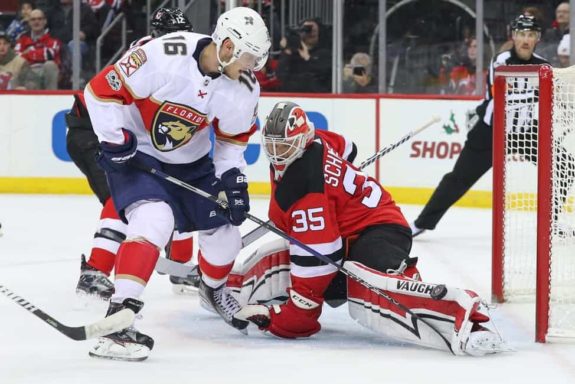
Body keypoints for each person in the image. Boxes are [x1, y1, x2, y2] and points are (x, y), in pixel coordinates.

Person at [232, 101, 508, 356]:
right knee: (285, 253)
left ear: (304, 139)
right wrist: (336, 180)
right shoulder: (318, 141)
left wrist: (288, 319)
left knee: (367, 288)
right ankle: (230, 286)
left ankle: (463, 316)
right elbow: (348, 147)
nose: (277, 153)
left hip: (381, 228)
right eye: (272, 144)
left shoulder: (305, 191)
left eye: (285, 146)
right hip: (351, 231)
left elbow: (319, 265)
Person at [83, 6, 270, 361]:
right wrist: (114, 138)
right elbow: (98, 91)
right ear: (227, 46)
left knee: (226, 233)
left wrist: (234, 180)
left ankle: (214, 291)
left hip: (193, 165)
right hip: (138, 156)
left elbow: (231, 144)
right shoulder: (164, 54)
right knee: (156, 220)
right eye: (249, 57)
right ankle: (119, 319)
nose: (253, 67)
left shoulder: (244, 88)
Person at [68, 8, 196, 301]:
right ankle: (95, 273)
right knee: (126, 198)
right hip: (95, 132)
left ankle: (180, 267)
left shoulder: (166, 56)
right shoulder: (149, 55)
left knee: (158, 192)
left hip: (113, 133)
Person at [409, 15, 563, 237]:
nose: (525, 39)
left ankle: (552, 221)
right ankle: (421, 223)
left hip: (526, 133)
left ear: (537, 38)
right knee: (458, 179)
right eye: (521, 34)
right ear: (514, 36)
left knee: (563, 165)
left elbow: (547, 99)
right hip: (492, 132)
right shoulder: (501, 61)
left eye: (531, 35)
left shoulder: (543, 66)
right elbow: (502, 97)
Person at [276, 18, 332, 93]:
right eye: (306, 30)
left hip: (316, 97)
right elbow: (280, 75)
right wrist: (286, 52)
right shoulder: (292, 54)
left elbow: (323, 72)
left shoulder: (324, 54)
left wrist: (308, 58)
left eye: (314, 30)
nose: (311, 33)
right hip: (292, 97)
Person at [14, 8, 61, 90]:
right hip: (29, 71)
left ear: (45, 21)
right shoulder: (22, 38)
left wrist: (28, 52)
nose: (36, 22)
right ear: (29, 22)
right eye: (33, 19)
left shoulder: (53, 38)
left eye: (39, 19)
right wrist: (40, 52)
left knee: (49, 65)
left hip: (45, 71)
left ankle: (51, 97)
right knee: (18, 68)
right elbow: (17, 57)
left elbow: (49, 55)